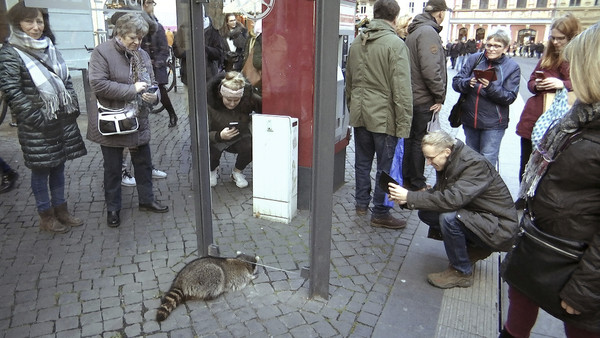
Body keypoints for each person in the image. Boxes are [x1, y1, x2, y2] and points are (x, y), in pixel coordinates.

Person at [501, 22, 600, 338]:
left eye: (577, 64)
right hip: (541, 246)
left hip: (574, 264)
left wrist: (585, 287)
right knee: (515, 321)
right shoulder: (581, 116)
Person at [388, 130, 518, 289]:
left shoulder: (473, 164)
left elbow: (451, 200)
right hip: (481, 217)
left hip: (499, 227)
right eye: (426, 158)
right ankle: (472, 249)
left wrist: (409, 197)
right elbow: (438, 194)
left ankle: (461, 272)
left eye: (430, 158)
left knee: (448, 217)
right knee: (427, 212)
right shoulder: (451, 160)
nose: (428, 163)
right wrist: (405, 200)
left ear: (446, 151)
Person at [0, 1, 87, 233]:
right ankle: (46, 218)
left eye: (39, 21)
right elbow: (12, 91)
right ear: (18, 23)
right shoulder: (10, 52)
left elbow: (66, 80)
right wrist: (38, 118)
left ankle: (62, 211)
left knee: (58, 167)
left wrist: (72, 104)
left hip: (59, 119)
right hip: (36, 124)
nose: (36, 26)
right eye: (29, 21)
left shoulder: (50, 47)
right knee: (40, 170)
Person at [88, 13, 169, 228]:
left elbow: (151, 82)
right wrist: (132, 89)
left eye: (140, 38)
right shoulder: (102, 52)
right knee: (113, 168)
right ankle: (113, 209)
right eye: (133, 37)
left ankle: (147, 200)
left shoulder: (141, 54)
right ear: (120, 33)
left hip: (138, 118)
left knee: (143, 163)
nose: (137, 42)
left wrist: (154, 96)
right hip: (113, 119)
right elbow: (98, 84)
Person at [345, 0, 412, 229]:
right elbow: (402, 89)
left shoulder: (357, 41)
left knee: (362, 163)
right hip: (384, 117)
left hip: (361, 113)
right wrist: (404, 124)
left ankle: (361, 204)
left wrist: (352, 108)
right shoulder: (395, 44)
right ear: (395, 18)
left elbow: (349, 82)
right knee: (386, 166)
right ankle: (381, 212)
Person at [515, 14, 581, 182]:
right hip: (534, 118)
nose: (555, 42)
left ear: (573, 38)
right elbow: (530, 82)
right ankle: (523, 200)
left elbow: (587, 84)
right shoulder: (547, 56)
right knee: (527, 162)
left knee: (550, 167)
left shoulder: (580, 59)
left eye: (561, 38)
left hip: (559, 121)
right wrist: (537, 85)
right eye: (553, 38)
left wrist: (563, 84)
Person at [452, 29, 520, 168]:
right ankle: (471, 187)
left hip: (493, 123)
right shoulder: (474, 59)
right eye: (489, 45)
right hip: (470, 119)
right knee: (471, 157)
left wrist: (490, 87)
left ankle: (486, 189)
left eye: (497, 46)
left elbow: (509, 97)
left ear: (505, 48)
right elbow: (456, 82)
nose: (491, 49)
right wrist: (467, 83)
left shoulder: (512, 67)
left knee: (487, 160)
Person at [402, 0, 449, 192]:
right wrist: (439, 96)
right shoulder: (428, 32)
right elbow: (431, 69)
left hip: (413, 96)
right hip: (422, 99)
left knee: (410, 140)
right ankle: (417, 183)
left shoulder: (416, 30)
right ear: (440, 13)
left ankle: (408, 179)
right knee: (419, 142)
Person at [207, 71, 261, 188]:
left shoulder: (249, 99)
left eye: (236, 100)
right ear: (221, 95)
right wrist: (218, 136)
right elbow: (200, 133)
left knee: (252, 147)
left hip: (240, 135)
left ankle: (237, 172)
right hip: (216, 137)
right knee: (210, 150)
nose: (232, 104)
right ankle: (212, 170)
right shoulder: (209, 104)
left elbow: (265, 108)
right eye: (228, 99)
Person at [141, 0, 177, 128]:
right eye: (151, 3)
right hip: (142, 66)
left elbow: (164, 49)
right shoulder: (138, 26)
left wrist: (157, 62)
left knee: (161, 92)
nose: (152, 6)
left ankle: (172, 114)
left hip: (156, 66)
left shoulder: (158, 27)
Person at [173, 10, 223, 85]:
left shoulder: (213, 31)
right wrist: (190, 50)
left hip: (209, 76)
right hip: (189, 76)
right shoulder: (183, 29)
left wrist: (205, 49)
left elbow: (218, 53)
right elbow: (177, 51)